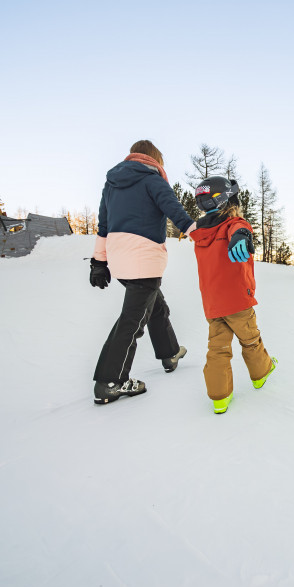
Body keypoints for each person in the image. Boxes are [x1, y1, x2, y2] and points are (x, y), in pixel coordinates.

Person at [90, 140, 196, 405]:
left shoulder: (112, 184)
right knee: (132, 321)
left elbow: (103, 225)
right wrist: (200, 233)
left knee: (155, 305)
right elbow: (175, 211)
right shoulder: (153, 179)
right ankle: (110, 382)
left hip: (119, 259)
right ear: (154, 159)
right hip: (144, 257)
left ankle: (170, 353)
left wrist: (98, 261)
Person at [189, 175, 277, 414]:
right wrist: (241, 235)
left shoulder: (200, 235)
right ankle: (261, 373)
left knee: (218, 349)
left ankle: (219, 397)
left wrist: (239, 235)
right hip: (237, 301)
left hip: (213, 304)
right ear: (228, 201)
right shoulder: (234, 224)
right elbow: (239, 228)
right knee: (250, 339)